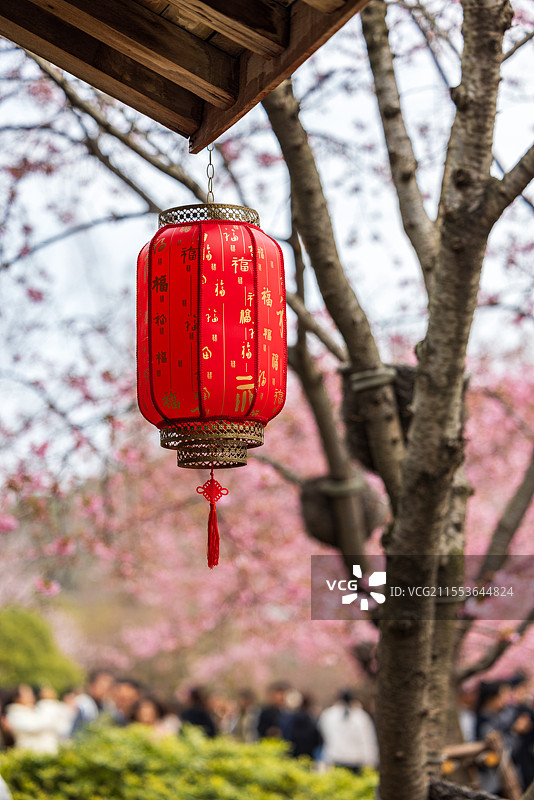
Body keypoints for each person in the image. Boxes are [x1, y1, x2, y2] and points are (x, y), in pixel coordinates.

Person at [318, 688, 378, 773]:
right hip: (355, 760)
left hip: (335, 757)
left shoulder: (328, 715)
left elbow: (323, 734)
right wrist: (370, 761)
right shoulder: (361, 716)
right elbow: (367, 740)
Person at [3, 684, 62, 754]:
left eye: (31, 693)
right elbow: (39, 725)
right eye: (27, 694)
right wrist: (47, 700)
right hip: (31, 757)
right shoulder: (14, 715)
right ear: (16, 698)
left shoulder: (35, 710)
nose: (31, 696)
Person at [286, 693, 323, 759]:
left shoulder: (292, 718)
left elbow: (288, 734)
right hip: (308, 754)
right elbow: (316, 737)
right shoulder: (310, 719)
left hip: (294, 753)